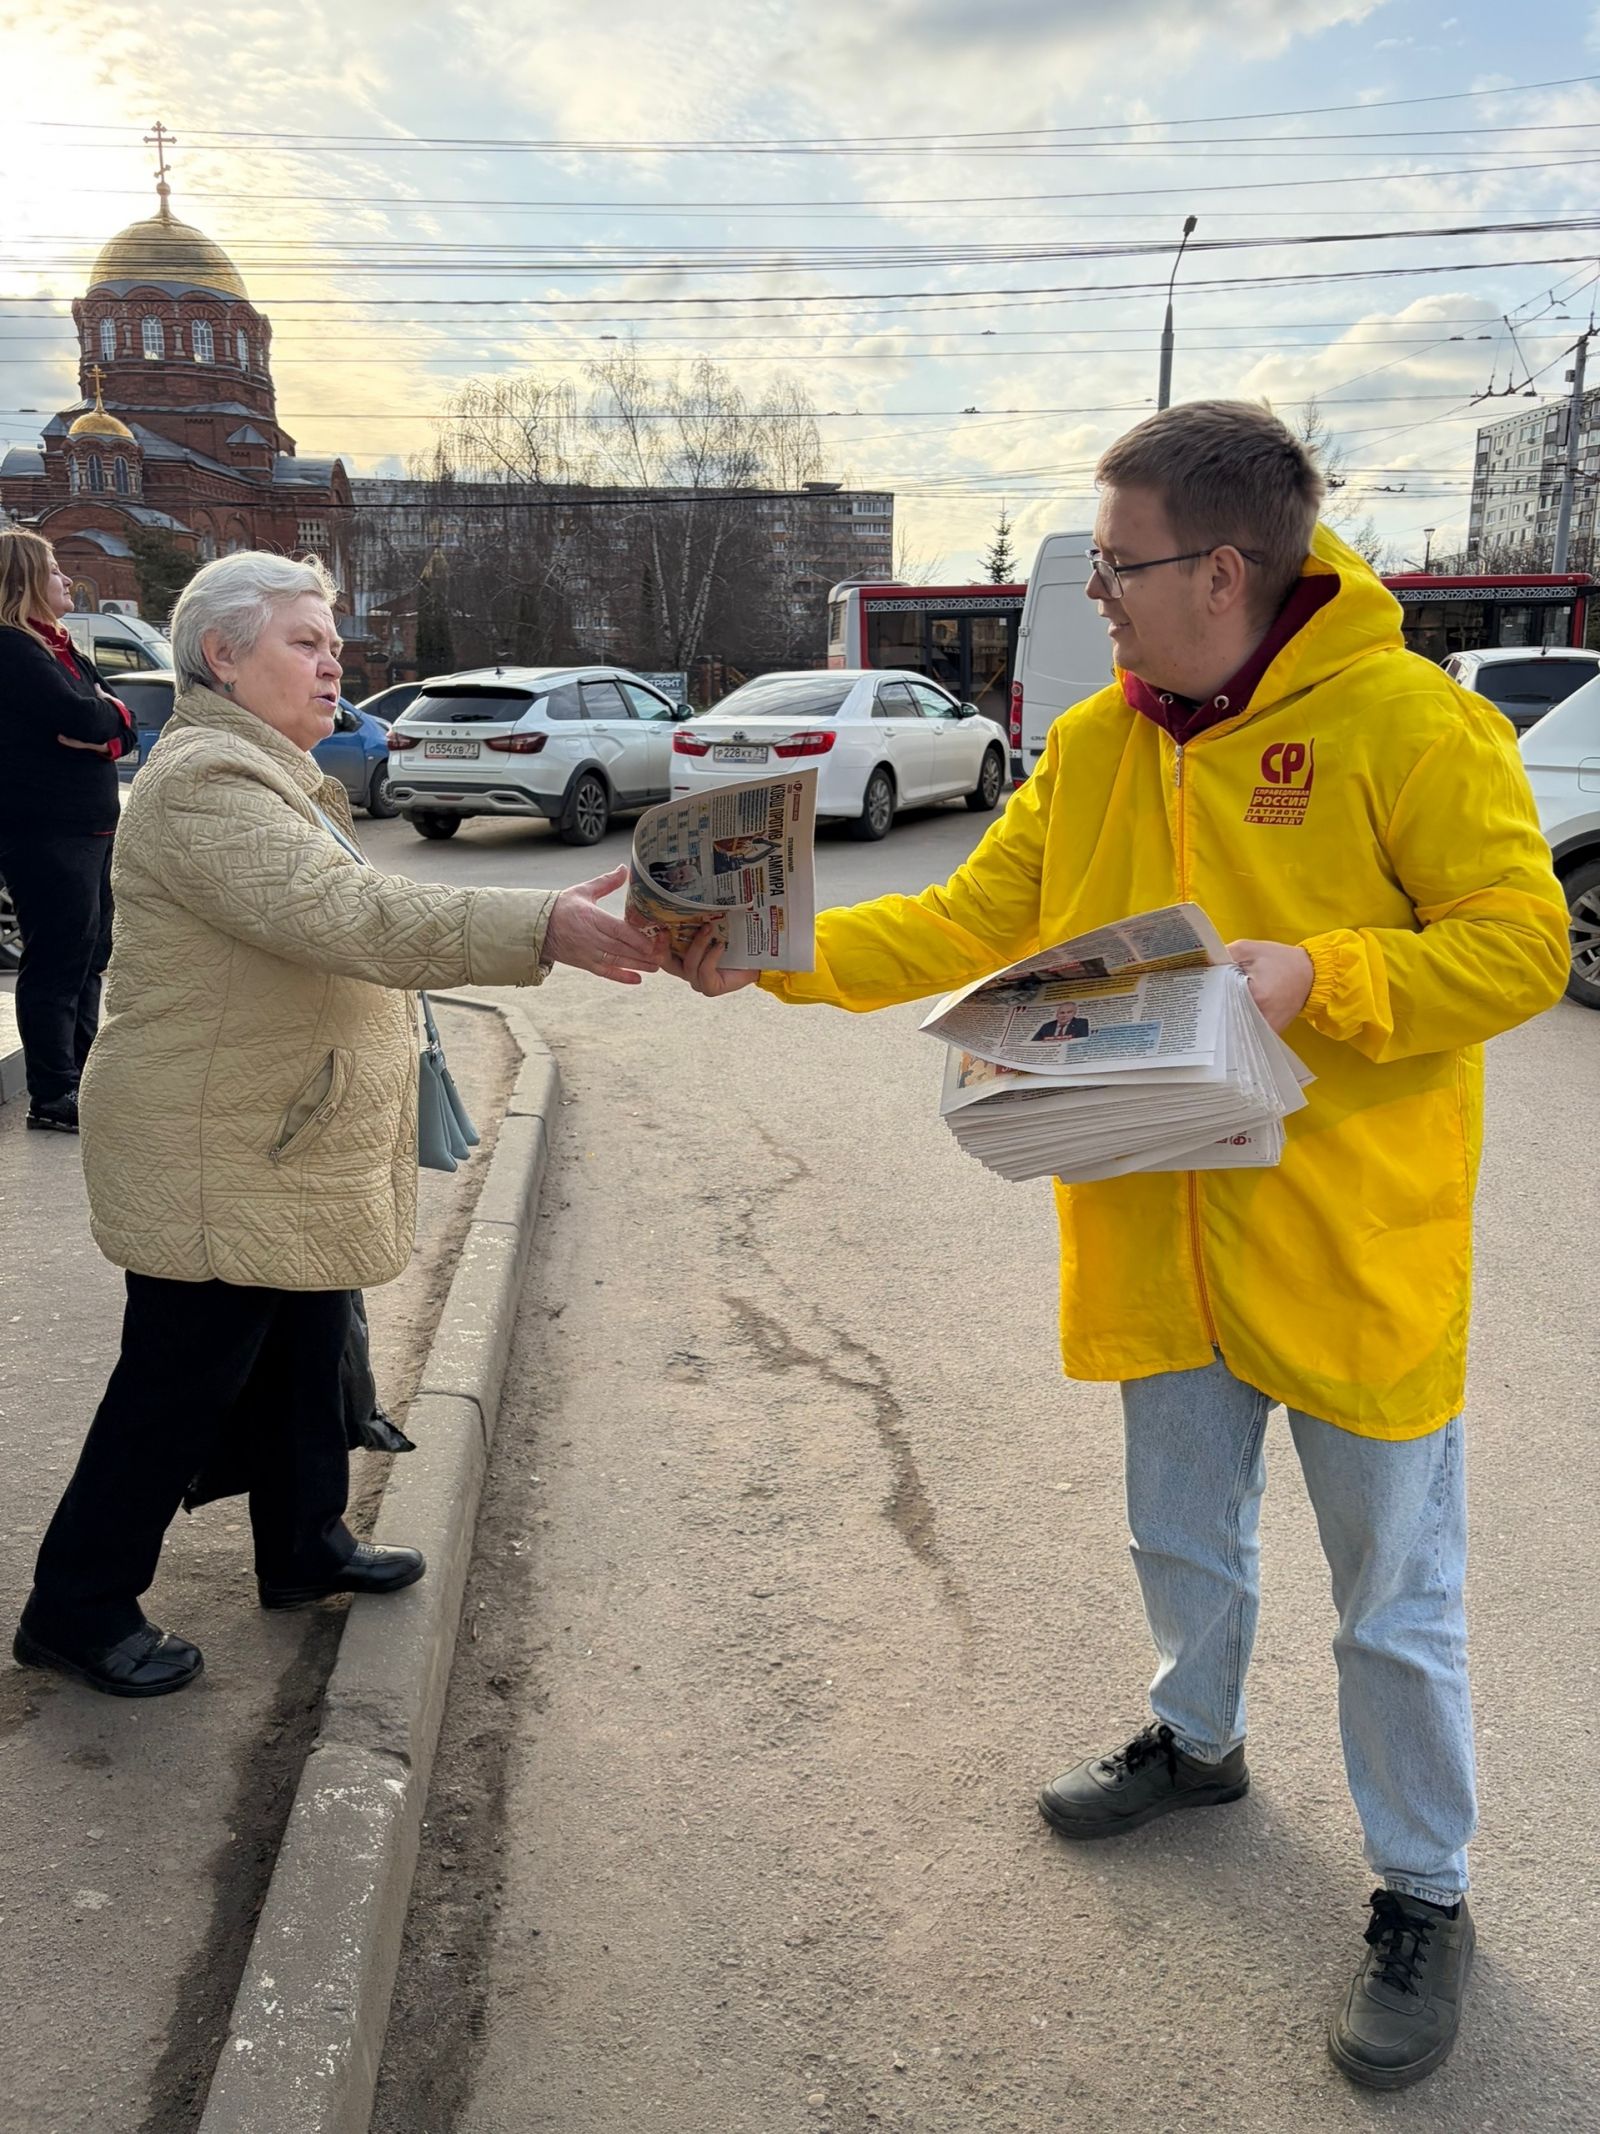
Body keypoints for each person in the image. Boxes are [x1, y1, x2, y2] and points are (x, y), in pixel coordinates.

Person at [674, 401, 1570, 2091]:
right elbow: (969, 920)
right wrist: (771, 947)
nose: (1095, 592)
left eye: (1115, 563)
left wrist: (1326, 972)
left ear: (1220, 570)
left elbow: (1521, 943)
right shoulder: (1096, 742)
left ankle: (1422, 1888)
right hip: (1156, 1218)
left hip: (1350, 1248)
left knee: (1393, 1598)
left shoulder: (1409, 723)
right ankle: (1197, 1738)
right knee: (1181, 1531)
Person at [13, 550, 664, 1701]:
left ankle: (304, 1543)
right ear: (223, 656)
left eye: (333, 644)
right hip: (213, 1147)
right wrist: (538, 927)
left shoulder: (266, 773)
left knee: (307, 1352)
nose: (335, 664)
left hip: (275, 1134)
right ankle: (77, 1606)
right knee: (177, 1384)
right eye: (305, 642)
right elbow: (348, 914)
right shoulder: (209, 784)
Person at [0, 530, 136, 1133]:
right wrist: (103, 721)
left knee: (89, 957)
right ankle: (53, 1094)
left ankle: (83, 1077)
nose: (66, 579)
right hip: (47, 831)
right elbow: (83, 715)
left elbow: (120, 723)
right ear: (26, 578)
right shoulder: (12, 648)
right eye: (54, 569)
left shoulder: (60, 647)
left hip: (91, 828)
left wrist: (108, 724)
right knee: (57, 960)